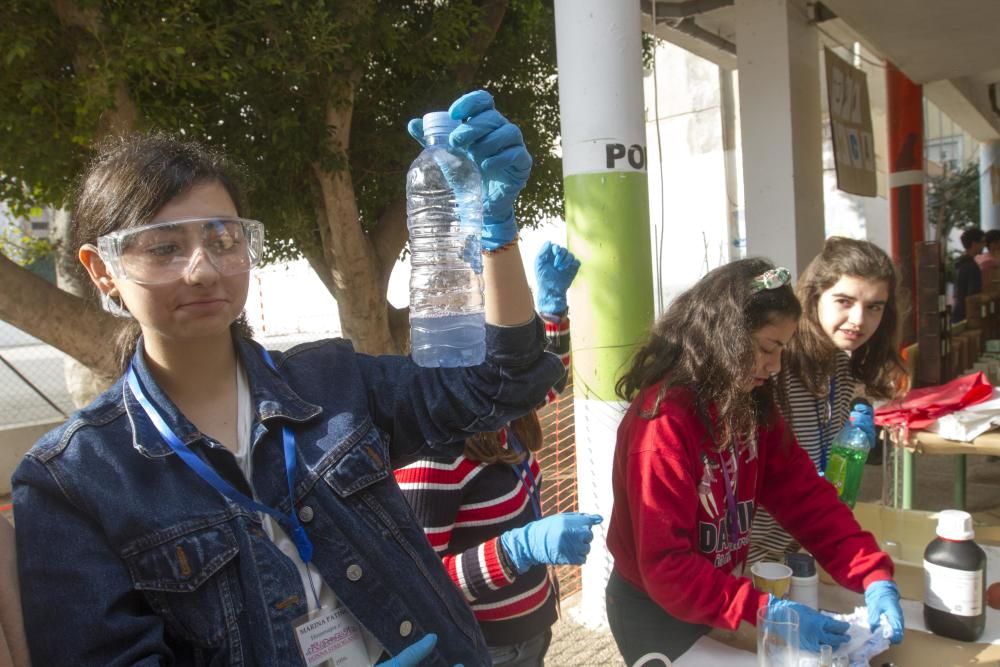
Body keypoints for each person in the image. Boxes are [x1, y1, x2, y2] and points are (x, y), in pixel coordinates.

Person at [12, 91, 565, 666]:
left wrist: (495, 231)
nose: (202, 268)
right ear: (103, 270)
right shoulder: (73, 483)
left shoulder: (330, 383)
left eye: (222, 238)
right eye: (164, 248)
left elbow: (502, 384)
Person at [604, 258, 905, 665]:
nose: (777, 366)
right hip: (654, 610)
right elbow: (666, 567)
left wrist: (871, 573)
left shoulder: (746, 403)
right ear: (726, 338)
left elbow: (806, 498)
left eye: (782, 349)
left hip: (714, 597)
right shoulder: (663, 425)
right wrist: (763, 609)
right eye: (767, 348)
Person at [394, 241, 601, 667]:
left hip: (535, 634)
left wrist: (552, 311)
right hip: (484, 651)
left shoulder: (500, 411)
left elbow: (544, 379)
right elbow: (419, 587)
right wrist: (516, 550)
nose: (516, 335)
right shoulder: (432, 451)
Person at [749, 237, 906, 564]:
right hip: (748, 558)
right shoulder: (772, 364)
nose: (859, 320)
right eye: (844, 301)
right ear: (814, 297)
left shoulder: (840, 367)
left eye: (874, 307)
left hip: (798, 548)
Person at [954, 226, 985, 322]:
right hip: (966, 315)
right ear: (974, 244)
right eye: (982, 242)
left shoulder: (960, 263)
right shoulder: (971, 266)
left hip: (958, 313)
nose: (984, 245)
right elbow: (972, 295)